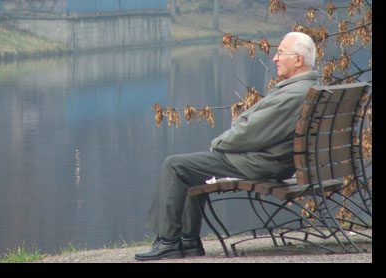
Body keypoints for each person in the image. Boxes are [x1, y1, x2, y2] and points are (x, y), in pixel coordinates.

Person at [135, 32, 318, 261]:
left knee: (175, 166)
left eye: (280, 52)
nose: (274, 58)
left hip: (260, 163)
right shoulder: (307, 88)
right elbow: (258, 128)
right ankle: (188, 241)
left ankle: (168, 241)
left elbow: (253, 131)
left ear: (298, 59)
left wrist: (220, 144)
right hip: (273, 161)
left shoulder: (294, 94)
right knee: (193, 168)